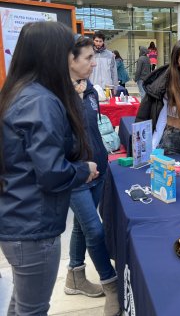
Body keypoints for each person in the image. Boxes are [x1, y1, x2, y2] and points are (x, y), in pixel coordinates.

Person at [0, 21, 98, 315]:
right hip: (32, 226)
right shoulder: (41, 101)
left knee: (22, 305)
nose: (73, 59)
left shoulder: (19, 91)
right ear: (52, 55)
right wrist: (84, 169)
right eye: (68, 52)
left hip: (19, 219)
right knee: (33, 309)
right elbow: (52, 173)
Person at [65, 35, 120, 316]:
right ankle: (111, 285)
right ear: (70, 60)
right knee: (95, 229)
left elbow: (94, 131)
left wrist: (103, 161)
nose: (93, 62)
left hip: (99, 166)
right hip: (75, 175)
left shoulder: (91, 91)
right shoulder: (56, 95)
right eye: (87, 58)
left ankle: (74, 276)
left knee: (81, 227)